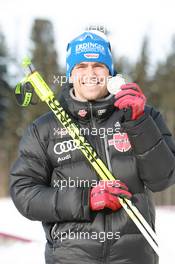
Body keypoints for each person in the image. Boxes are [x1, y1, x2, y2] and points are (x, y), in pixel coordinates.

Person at [10, 30, 175, 264]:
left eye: (98, 65)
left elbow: (163, 179)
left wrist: (139, 124)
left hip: (135, 257)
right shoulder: (44, 129)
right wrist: (85, 199)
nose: (90, 73)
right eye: (81, 66)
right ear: (70, 73)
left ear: (110, 72)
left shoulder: (141, 115)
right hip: (71, 257)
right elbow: (24, 193)